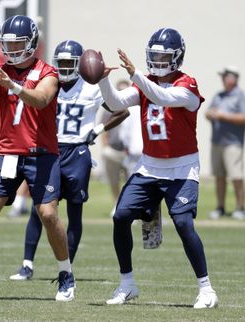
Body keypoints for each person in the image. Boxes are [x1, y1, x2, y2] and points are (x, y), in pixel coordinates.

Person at [0, 15, 75, 301]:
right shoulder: (1, 71)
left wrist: (15, 87)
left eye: (18, 42)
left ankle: (66, 275)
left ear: (31, 42)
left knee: (47, 214)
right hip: (8, 152)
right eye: (8, 43)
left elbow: (41, 99)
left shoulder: (48, 71)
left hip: (42, 155)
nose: (12, 48)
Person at [98, 28, 218, 308]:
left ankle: (206, 289)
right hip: (149, 167)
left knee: (184, 223)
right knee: (120, 217)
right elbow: (115, 103)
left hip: (181, 168)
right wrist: (103, 80)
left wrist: (136, 75)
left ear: (177, 57)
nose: (158, 60)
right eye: (154, 55)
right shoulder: (144, 82)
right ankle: (127, 284)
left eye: (164, 55)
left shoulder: (188, 85)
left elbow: (163, 98)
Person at [9, 40, 129, 281]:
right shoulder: (48, 84)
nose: (63, 67)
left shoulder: (92, 88)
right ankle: (26, 264)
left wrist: (98, 129)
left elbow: (122, 110)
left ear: (79, 65)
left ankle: (67, 268)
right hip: (48, 151)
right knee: (39, 210)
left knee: (75, 212)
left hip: (77, 152)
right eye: (60, 62)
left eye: (68, 63)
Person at [205, 66, 245, 220]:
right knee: (219, 176)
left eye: (225, 76)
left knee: (236, 177)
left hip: (233, 143)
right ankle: (220, 207)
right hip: (217, 142)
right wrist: (210, 114)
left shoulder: (240, 95)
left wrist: (223, 116)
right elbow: (209, 111)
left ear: (233, 78)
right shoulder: (219, 95)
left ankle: (240, 208)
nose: (222, 79)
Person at [99, 80, 130, 216]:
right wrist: (104, 146)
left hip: (130, 151)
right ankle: (117, 204)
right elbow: (104, 128)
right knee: (114, 180)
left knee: (131, 180)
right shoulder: (110, 107)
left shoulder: (135, 107)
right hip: (114, 149)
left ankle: (130, 206)